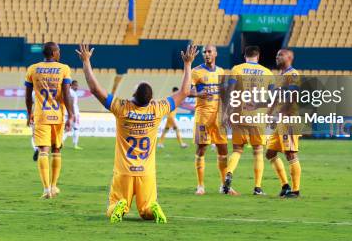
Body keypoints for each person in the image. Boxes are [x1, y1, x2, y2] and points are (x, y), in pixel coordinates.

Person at [76, 43, 197, 224]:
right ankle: (152, 208)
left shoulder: (122, 108)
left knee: (114, 206)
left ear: (134, 94)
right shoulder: (158, 109)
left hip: (124, 171)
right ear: (151, 98)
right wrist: (188, 64)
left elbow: (94, 89)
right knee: (146, 210)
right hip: (146, 172)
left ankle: (119, 206)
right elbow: (185, 91)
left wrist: (86, 61)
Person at [25, 42, 74, 199]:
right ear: (53, 53)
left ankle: (46, 189)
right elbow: (66, 94)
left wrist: (28, 113)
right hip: (57, 116)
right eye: (58, 51)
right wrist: (71, 114)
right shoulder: (64, 69)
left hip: (41, 115)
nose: (60, 53)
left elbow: (27, 95)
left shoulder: (32, 69)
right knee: (56, 150)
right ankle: (53, 185)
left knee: (43, 151)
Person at [223, 46, 275, 196]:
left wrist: (226, 113)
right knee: (258, 151)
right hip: (258, 116)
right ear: (258, 57)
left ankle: (229, 172)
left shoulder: (237, 69)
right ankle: (257, 188)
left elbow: (230, 92)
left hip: (239, 114)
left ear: (245, 56)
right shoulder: (267, 72)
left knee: (237, 150)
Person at [191, 45, 236, 196]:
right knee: (201, 149)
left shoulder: (221, 71)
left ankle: (224, 186)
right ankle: (200, 185)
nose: (207, 54)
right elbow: (187, 90)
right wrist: (198, 94)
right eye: (205, 52)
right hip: (203, 115)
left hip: (218, 117)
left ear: (215, 53)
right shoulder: (196, 71)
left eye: (209, 51)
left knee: (223, 150)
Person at [265, 49, 302, 198]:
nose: (277, 57)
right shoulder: (279, 77)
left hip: (289, 119)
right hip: (279, 120)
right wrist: (268, 114)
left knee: (290, 153)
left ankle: (295, 190)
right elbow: (275, 98)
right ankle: (285, 186)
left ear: (289, 57)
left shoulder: (293, 74)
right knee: (270, 153)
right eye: (276, 54)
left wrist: (280, 114)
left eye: (280, 54)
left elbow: (293, 96)